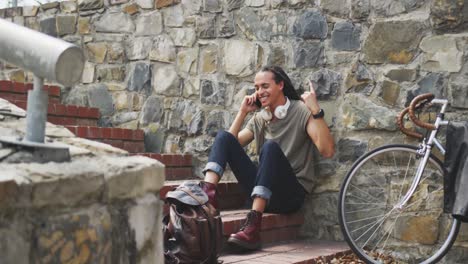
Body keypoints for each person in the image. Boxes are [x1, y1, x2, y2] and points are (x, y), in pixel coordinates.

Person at [199, 65, 335, 250]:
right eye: (256, 88)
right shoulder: (261, 118)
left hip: (289, 195)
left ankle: (252, 227)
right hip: (263, 191)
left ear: (280, 85)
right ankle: (207, 199)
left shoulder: (301, 111)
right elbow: (229, 145)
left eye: (265, 86)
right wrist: (242, 113)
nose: (259, 92)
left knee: (270, 147)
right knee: (224, 136)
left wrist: (315, 110)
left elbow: (326, 150)